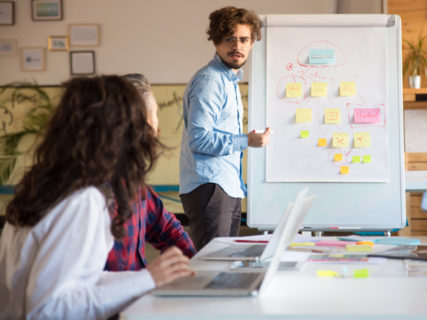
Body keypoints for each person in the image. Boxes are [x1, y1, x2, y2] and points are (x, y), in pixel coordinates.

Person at [0, 76, 195, 319]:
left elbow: (84, 278)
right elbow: (47, 310)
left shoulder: (44, 184)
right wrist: (148, 278)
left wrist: (149, 278)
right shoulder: (84, 200)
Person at [179, 6, 272, 251]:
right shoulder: (211, 81)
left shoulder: (228, 79)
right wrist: (247, 141)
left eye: (244, 39)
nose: (238, 46)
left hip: (224, 185)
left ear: (252, 42)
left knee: (224, 264)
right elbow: (199, 139)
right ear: (216, 40)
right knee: (214, 266)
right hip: (210, 186)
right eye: (230, 39)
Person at [104, 73, 196, 271]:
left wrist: (196, 266)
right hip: (118, 298)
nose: (158, 129)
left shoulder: (134, 183)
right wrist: (148, 280)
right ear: (136, 123)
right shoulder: (100, 191)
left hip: (137, 293)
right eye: (155, 114)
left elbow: (167, 229)